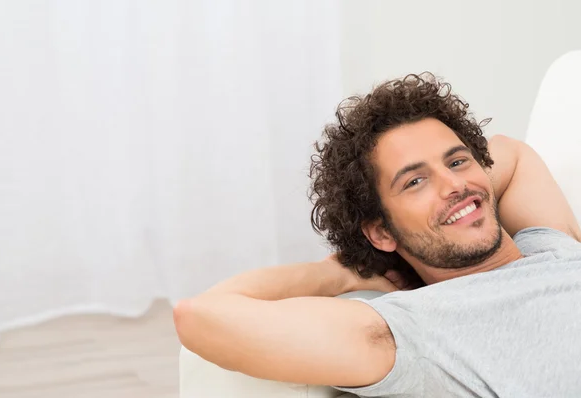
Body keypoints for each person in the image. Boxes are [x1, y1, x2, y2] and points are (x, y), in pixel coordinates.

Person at [173, 73, 581, 397]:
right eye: (415, 181)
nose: (452, 183)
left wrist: (456, 196)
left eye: (457, 160)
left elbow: (510, 152)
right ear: (381, 231)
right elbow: (199, 316)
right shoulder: (415, 331)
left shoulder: (546, 243)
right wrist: (343, 272)